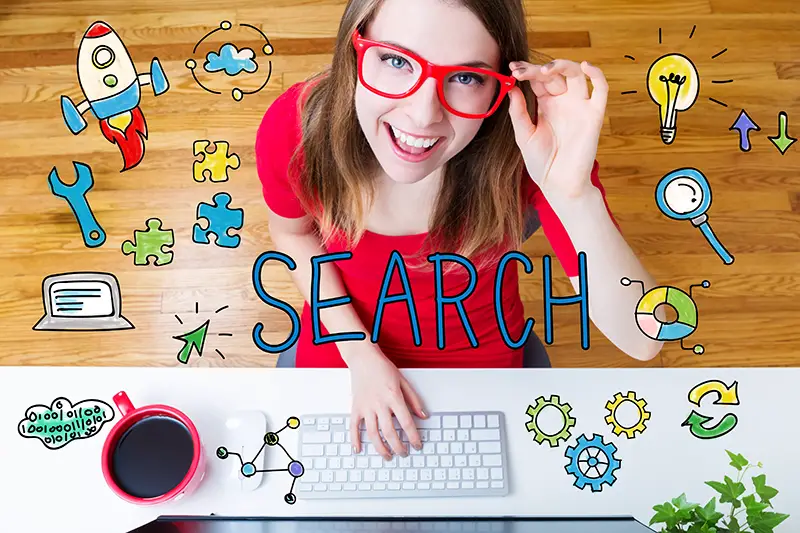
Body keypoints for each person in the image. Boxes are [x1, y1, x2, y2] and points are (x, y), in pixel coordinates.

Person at [255, 0, 664, 462]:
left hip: (481, 358)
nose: (422, 114)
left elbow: (643, 337)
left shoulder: (526, 144)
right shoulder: (297, 128)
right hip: (345, 339)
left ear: (499, 85)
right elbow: (294, 235)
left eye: (466, 77)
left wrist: (573, 194)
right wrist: (362, 357)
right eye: (395, 60)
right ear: (355, 47)